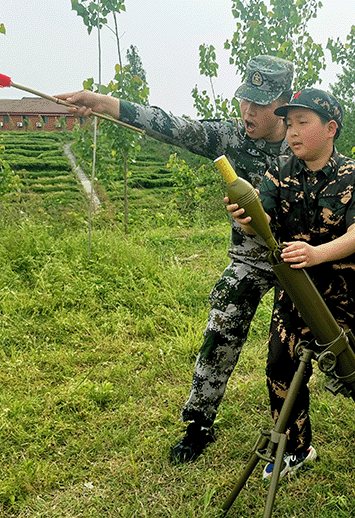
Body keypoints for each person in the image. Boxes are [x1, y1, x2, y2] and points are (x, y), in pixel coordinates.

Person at [57, 55, 294, 464]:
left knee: (325, 332)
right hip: (250, 260)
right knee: (222, 319)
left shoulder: (304, 139)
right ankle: (198, 423)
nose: (248, 111)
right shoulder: (229, 137)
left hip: (297, 258)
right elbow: (170, 124)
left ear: (285, 102)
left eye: (260, 103)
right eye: (245, 100)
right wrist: (101, 102)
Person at [226, 88, 355, 480]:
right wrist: (244, 216)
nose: (292, 132)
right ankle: (296, 449)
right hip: (296, 290)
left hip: (347, 290)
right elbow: (261, 218)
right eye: (289, 124)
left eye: (303, 123)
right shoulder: (278, 173)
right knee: (280, 365)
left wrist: (316, 253)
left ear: (331, 128)